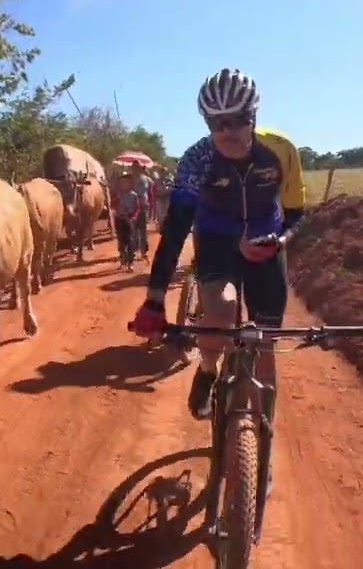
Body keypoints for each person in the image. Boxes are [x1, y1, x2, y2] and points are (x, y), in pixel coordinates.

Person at [129, 67, 307, 441]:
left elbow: (295, 213)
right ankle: (208, 366)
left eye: (237, 120)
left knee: (264, 344)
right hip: (216, 241)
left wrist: (281, 241)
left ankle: (261, 443)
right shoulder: (197, 160)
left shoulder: (280, 151)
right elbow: (176, 230)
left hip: (265, 242)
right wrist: (154, 301)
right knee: (221, 312)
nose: (227, 131)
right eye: (216, 122)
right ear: (207, 123)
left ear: (253, 117)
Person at [111, 171, 147, 270]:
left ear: (130, 184)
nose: (124, 185)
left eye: (126, 182)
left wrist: (133, 217)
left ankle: (130, 262)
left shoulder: (133, 195)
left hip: (129, 220)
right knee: (121, 241)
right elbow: (113, 205)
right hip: (119, 219)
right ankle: (123, 260)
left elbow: (137, 208)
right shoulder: (118, 195)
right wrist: (115, 210)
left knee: (130, 241)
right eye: (122, 182)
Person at [131, 163, 153, 259]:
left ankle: (143, 250)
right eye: (133, 167)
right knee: (134, 229)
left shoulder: (145, 179)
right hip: (134, 207)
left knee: (142, 229)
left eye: (135, 167)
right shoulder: (130, 179)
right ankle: (136, 249)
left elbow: (149, 192)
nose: (134, 169)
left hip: (142, 206)